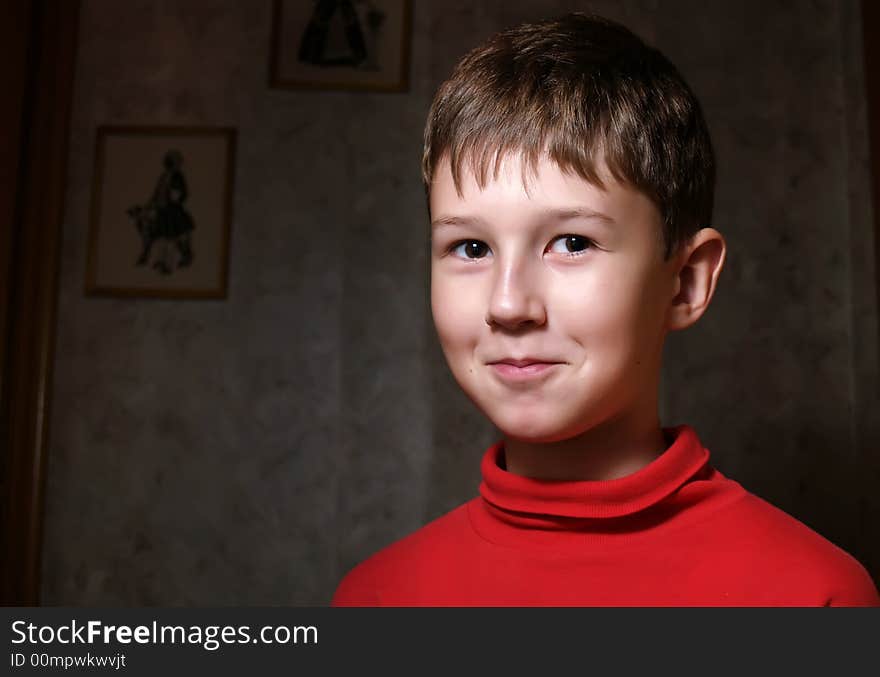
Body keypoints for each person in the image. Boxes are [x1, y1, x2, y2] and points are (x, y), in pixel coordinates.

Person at [331, 13, 880, 606]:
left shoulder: (814, 598)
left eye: (572, 243)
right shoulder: (375, 602)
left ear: (685, 282)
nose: (508, 304)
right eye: (471, 247)